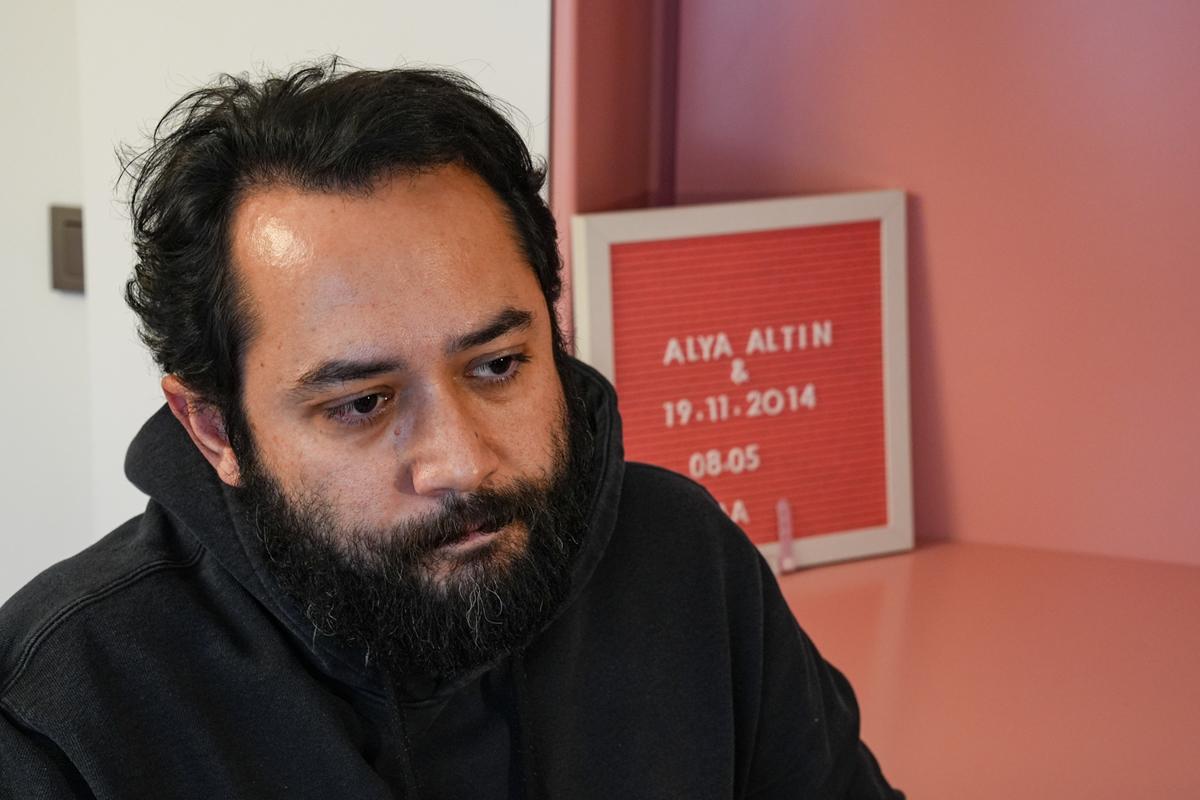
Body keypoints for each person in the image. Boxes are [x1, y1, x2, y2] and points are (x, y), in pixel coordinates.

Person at [0, 61, 902, 799]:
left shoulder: (682, 560)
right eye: (362, 404)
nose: (464, 463)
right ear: (214, 429)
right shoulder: (64, 708)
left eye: (498, 365)